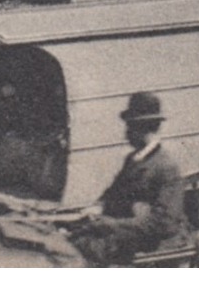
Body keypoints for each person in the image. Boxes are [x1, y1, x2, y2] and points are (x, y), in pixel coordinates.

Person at [70, 92, 185, 266]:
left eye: (130, 128)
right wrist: (97, 207)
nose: (126, 134)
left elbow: (164, 223)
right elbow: (113, 193)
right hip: (122, 232)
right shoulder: (133, 159)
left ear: (143, 128)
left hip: (147, 243)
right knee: (68, 238)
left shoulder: (166, 167)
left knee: (76, 250)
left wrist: (112, 224)